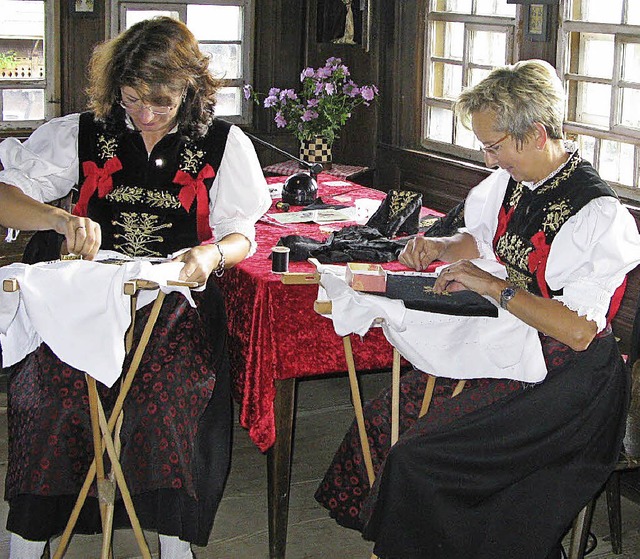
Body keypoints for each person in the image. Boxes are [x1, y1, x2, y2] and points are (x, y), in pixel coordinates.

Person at [314, 59, 640, 558]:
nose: (490, 159)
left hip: (568, 380)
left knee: (423, 457)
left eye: (494, 146)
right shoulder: (512, 181)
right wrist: (444, 246)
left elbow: (577, 331)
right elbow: (484, 239)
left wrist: (494, 287)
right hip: (512, 344)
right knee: (385, 420)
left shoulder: (597, 212)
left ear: (533, 134)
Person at [0, 16, 271, 559]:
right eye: (131, 100)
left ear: (188, 90)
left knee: (172, 396)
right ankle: (27, 541)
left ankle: (172, 544)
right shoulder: (81, 131)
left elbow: (244, 233)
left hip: (173, 295)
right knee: (47, 394)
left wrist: (212, 253)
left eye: (161, 103)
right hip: (82, 294)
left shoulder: (222, 143)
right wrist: (57, 221)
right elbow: (5, 195)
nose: (144, 116)